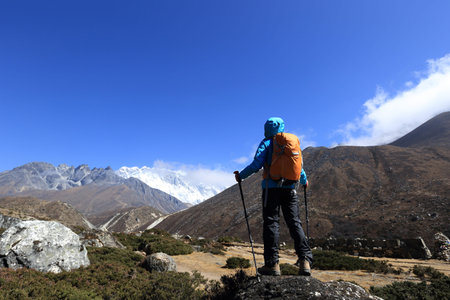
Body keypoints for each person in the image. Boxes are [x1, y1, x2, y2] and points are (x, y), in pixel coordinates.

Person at [234, 117, 313, 276]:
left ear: (266, 129)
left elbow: (256, 165)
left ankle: (272, 264)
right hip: (290, 189)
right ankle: (305, 261)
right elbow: (299, 168)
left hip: (271, 189)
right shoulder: (291, 142)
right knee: (294, 223)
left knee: (271, 223)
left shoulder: (266, 143)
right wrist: (304, 181)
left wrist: (240, 176)